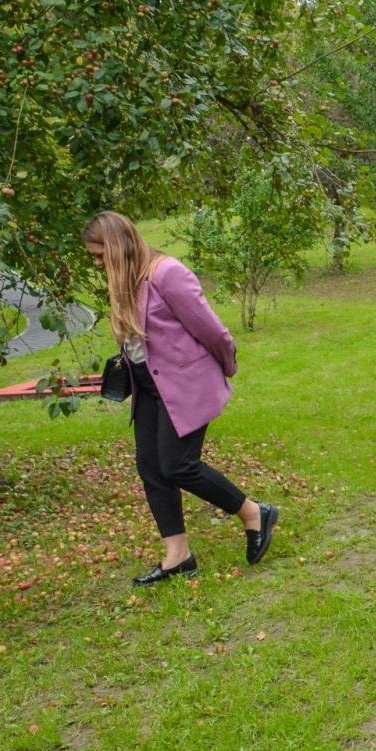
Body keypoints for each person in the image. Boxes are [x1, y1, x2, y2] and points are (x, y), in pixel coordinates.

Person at [82, 212, 278, 586]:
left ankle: (254, 512)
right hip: (147, 386)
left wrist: (225, 368)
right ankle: (179, 555)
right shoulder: (127, 280)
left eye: (98, 255)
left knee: (177, 465)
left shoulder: (166, 273)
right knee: (151, 466)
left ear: (117, 247)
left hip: (184, 386)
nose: (96, 263)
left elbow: (213, 331)